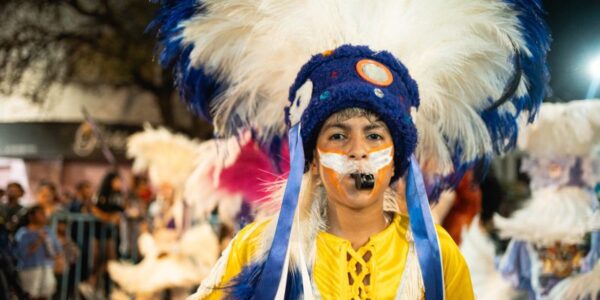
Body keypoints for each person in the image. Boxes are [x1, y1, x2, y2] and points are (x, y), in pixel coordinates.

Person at [152, 1, 549, 298]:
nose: (358, 151)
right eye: (338, 135)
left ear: (397, 155)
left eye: (375, 135)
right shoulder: (257, 249)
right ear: (311, 155)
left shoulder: (438, 256)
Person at [15, 205, 62, 300]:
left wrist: (58, 262)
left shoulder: (48, 231)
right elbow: (22, 253)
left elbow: (58, 250)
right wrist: (39, 241)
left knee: (45, 295)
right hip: (29, 270)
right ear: (31, 216)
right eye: (40, 214)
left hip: (47, 269)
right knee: (30, 296)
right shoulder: (23, 233)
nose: (44, 216)